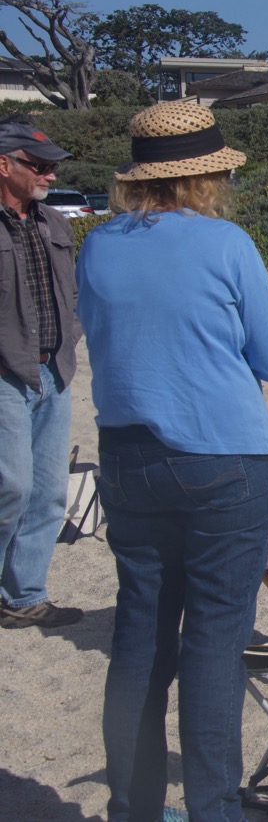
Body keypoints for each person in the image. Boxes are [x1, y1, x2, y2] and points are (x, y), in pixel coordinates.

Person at [77, 103, 268, 822]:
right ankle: (212, 811)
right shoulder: (226, 243)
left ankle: (132, 807)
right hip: (225, 457)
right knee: (214, 639)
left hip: (128, 455)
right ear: (208, 175)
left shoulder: (99, 245)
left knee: (140, 635)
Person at [0, 120, 84, 629]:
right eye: (40, 166)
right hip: (6, 375)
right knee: (9, 487)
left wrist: (70, 338)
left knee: (48, 491)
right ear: (3, 164)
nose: (50, 175)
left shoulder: (55, 223)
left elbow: (70, 294)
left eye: (53, 167)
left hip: (54, 370)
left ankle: (25, 595)